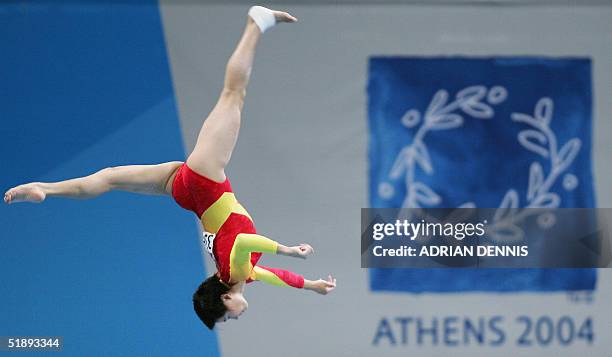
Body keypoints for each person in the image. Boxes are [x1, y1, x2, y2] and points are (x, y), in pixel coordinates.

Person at [4, 6, 336, 330]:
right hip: (185, 192)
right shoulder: (237, 275)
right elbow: (275, 277)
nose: (234, 318)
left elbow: (245, 244)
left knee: (233, 94)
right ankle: (45, 189)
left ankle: (256, 22)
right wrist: (312, 285)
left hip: (205, 184)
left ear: (224, 300)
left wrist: (288, 250)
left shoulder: (233, 273)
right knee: (109, 179)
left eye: (226, 317)